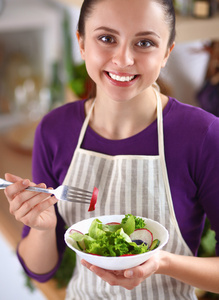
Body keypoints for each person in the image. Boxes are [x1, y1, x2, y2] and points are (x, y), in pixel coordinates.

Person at [4, 0, 219, 299]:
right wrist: (41, 228)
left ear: (167, 52)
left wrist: (162, 262)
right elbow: (40, 268)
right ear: (81, 43)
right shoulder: (55, 130)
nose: (123, 59)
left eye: (144, 42)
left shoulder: (202, 135)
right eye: (106, 38)